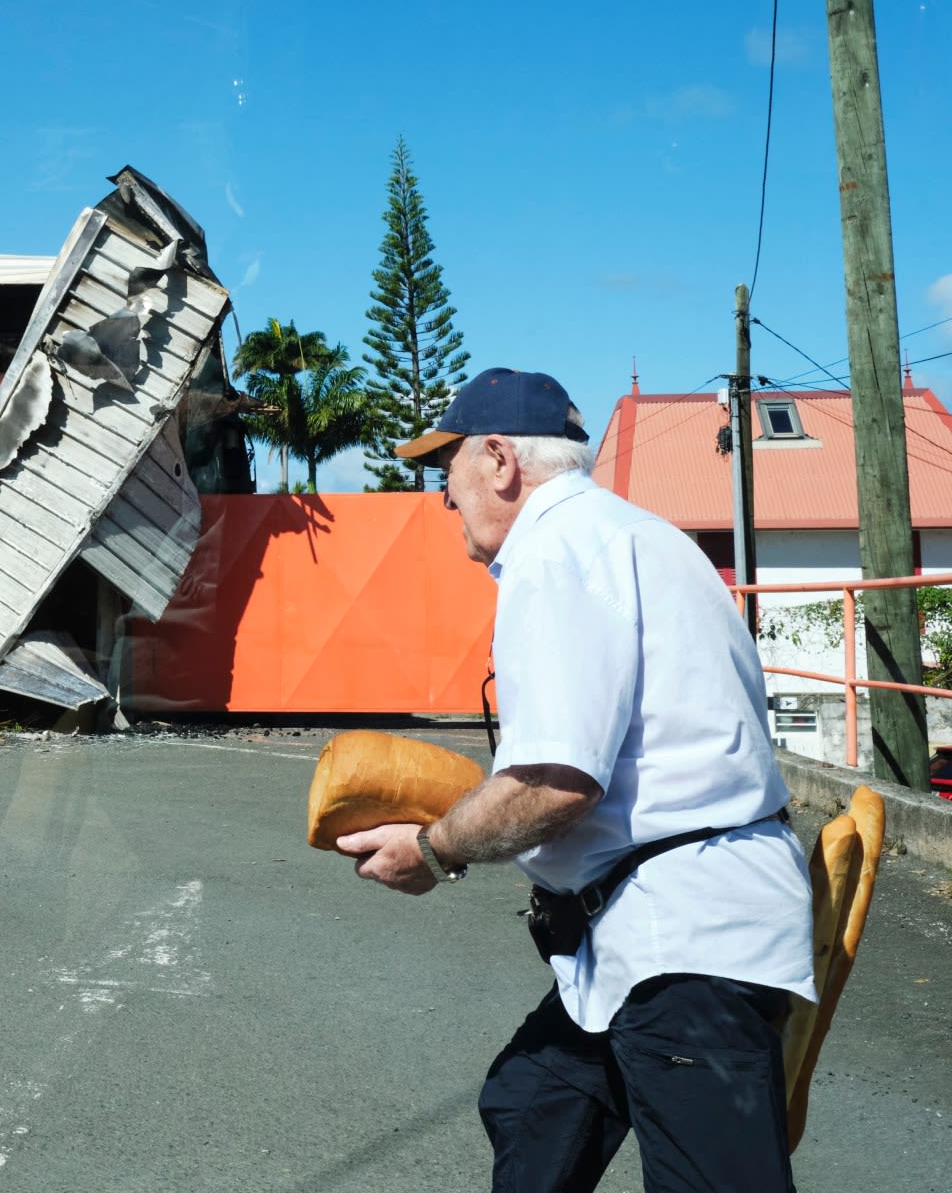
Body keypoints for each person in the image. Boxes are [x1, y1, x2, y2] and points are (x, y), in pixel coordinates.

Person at [337, 367, 815, 1193]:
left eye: (442, 471)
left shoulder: (552, 551)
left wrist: (434, 848)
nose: (442, 498)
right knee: (531, 1101)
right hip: (651, 928)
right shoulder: (632, 533)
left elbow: (557, 780)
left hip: (683, 943)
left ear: (498, 460)